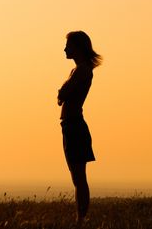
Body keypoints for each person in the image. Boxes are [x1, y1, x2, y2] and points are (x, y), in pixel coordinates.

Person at [58, 31, 102, 225]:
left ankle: (81, 219)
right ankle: (80, 219)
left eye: (69, 45)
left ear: (78, 47)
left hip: (74, 126)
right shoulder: (78, 70)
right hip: (70, 125)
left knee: (79, 178)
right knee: (77, 177)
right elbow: (63, 95)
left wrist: (61, 92)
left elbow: (64, 93)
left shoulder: (82, 70)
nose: (65, 49)